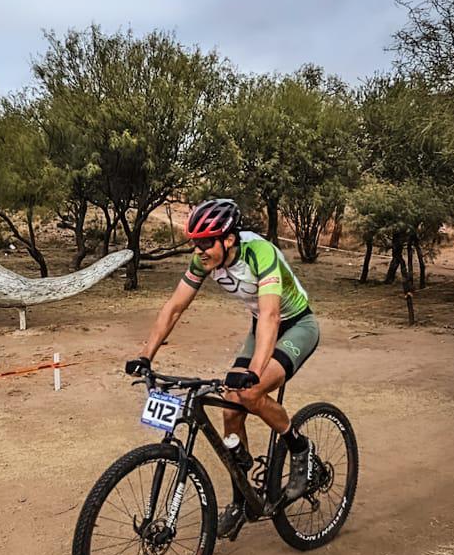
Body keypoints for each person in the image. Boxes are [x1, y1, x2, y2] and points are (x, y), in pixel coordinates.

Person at [125, 198, 320, 537]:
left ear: (228, 239)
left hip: (296, 325)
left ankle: (299, 447)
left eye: (205, 242)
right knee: (230, 409)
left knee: (250, 391)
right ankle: (242, 498)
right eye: (194, 243)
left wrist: (255, 372)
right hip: (260, 325)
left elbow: (272, 316)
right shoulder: (204, 260)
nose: (198, 250)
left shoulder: (260, 253)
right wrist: (146, 356)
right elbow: (174, 308)